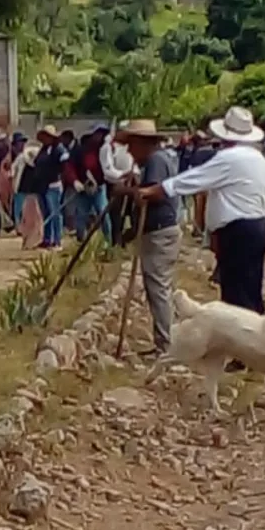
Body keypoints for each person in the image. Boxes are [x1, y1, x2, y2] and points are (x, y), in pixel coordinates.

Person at [140, 106, 265, 317]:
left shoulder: (229, 158)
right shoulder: (259, 159)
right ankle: (254, 339)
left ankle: (242, 343)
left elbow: (194, 179)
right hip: (256, 226)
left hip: (237, 230)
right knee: (250, 288)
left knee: (236, 296)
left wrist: (159, 189)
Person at [117, 119, 181, 356]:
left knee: (158, 288)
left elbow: (152, 195)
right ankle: (166, 340)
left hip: (159, 232)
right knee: (159, 287)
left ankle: (166, 345)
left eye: (131, 146)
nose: (130, 152)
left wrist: (128, 191)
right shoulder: (157, 161)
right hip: (157, 231)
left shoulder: (155, 160)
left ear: (143, 144)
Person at [71, 125, 111, 243]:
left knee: (102, 212)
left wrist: (99, 180)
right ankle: (80, 242)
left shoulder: (105, 149)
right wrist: (75, 181)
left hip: (99, 187)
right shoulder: (80, 151)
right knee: (81, 215)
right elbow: (70, 167)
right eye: (97, 133)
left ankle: (108, 241)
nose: (99, 136)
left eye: (102, 134)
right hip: (83, 187)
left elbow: (108, 168)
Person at [33, 125, 68, 249]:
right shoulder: (43, 149)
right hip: (42, 185)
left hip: (53, 185)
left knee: (55, 213)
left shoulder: (59, 150)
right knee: (46, 213)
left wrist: (59, 178)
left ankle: (57, 241)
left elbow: (65, 165)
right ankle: (47, 239)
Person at [100, 127, 135, 246]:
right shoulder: (108, 147)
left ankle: (126, 240)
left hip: (131, 183)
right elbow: (107, 169)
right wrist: (122, 175)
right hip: (115, 185)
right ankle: (116, 241)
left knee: (130, 213)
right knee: (116, 215)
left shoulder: (129, 147)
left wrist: (133, 174)